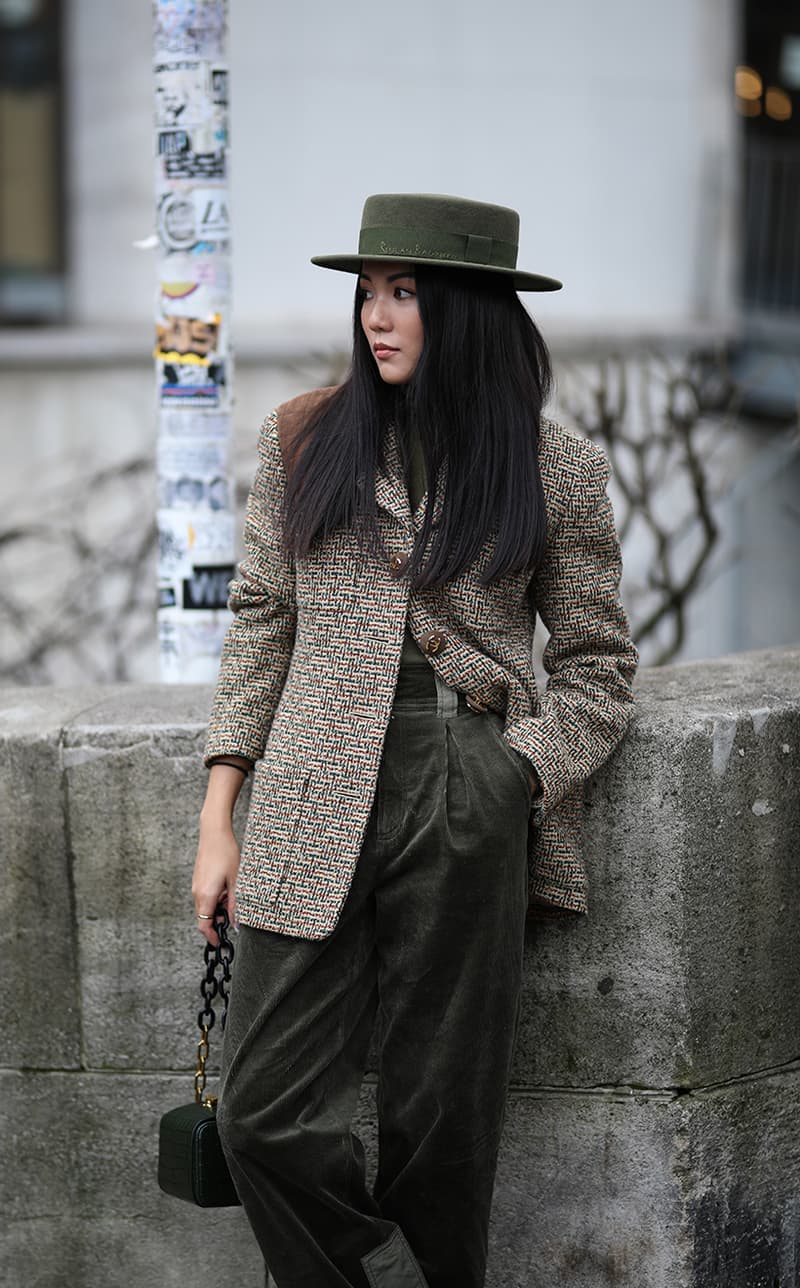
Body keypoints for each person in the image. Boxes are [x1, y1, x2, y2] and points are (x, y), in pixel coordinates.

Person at [192, 192, 638, 1288]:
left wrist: (515, 774)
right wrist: (218, 813)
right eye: (366, 292)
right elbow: (261, 622)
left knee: (442, 1123)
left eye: (403, 294)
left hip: (465, 785)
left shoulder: (553, 464)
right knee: (262, 1116)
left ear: (468, 309)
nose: (374, 317)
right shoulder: (302, 437)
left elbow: (597, 665)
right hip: (306, 782)